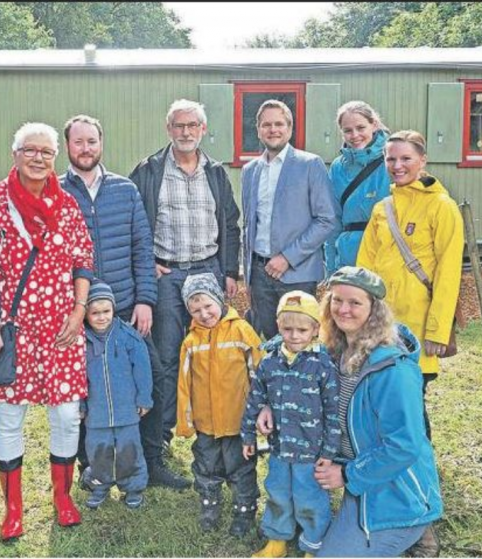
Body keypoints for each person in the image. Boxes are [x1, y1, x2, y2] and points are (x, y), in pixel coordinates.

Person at [262, 266, 444, 557]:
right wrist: (268, 403)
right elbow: (282, 350)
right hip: (358, 478)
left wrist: (346, 475)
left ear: (374, 309)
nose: (343, 310)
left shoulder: (393, 370)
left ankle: (417, 525)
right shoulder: (331, 350)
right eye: (337, 300)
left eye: (355, 302)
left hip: (393, 486)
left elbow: (404, 446)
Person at [0, 122, 95, 539]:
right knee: (10, 417)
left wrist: (79, 310)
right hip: (13, 330)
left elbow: (83, 259)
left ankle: (62, 497)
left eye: (47, 152)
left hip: (62, 327)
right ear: (16, 154)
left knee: (66, 415)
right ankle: (13, 510)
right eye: (31, 150)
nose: (39, 158)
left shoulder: (67, 205)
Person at [59, 115, 181, 490]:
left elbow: (142, 248)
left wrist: (145, 299)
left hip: (126, 309)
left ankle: (151, 456)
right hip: (78, 314)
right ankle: (91, 464)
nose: (85, 149)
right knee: (83, 387)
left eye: (91, 141)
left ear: (101, 143)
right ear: (68, 147)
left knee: (154, 377)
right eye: (78, 142)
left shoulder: (125, 190)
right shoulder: (56, 192)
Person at [129, 99, 242, 465]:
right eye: (179, 126)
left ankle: (213, 433)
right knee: (164, 357)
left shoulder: (216, 172)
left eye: (193, 125)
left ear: (203, 129)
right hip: (167, 273)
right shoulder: (149, 170)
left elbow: (229, 223)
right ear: (169, 129)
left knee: (212, 355)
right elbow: (134, 223)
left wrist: (229, 272)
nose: (186, 132)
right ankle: (160, 440)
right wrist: (148, 264)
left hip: (207, 271)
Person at [356, 130, 464, 440]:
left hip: (418, 327)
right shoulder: (382, 209)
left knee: (412, 406)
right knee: (382, 400)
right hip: (381, 324)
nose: (397, 165)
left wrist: (437, 330)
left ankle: (420, 466)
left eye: (406, 158)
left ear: (423, 160)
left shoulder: (442, 206)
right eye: (391, 159)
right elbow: (365, 269)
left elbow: (448, 273)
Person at [242, 291, 341, 558]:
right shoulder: (270, 361)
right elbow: (255, 398)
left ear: (315, 329)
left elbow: (333, 412)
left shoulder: (323, 365)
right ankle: (277, 539)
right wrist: (248, 436)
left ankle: (313, 544)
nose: (294, 335)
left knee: (311, 499)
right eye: (288, 329)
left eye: (302, 329)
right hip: (279, 449)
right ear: (278, 326)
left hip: (311, 453)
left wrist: (329, 453)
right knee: (278, 494)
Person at [241, 99, 339, 340]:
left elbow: (326, 219)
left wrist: (287, 257)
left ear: (290, 127)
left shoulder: (309, 164)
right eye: (266, 125)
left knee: (298, 342)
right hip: (259, 272)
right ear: (258, 130)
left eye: (279, 124)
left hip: (297, 272)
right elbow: (249, 224)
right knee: (268, 342)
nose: (272, 129)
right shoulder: (250, 170)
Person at [176, 273, 262, 537]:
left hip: (238, 422)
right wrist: (185, 421)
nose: (204, 314)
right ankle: (209, 506)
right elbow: (184, 383)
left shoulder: (241, 330)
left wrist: (261, 411)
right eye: (195, 309)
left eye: (208, 306)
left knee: (241, 469)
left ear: (219, 299)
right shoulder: (191, 341)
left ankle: (244, 511)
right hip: (206, 423)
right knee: (206, 468)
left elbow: (259, 372)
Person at [80, 280, 152, 510]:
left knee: (129, 450)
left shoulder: (128, 336)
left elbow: (142, 370)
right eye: (95, 313)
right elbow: (77, 377)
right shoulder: (82, 342)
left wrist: (144, 398)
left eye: (106, 311)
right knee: (98, 451)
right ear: (86, 314)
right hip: (97, 413)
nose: (101, 317)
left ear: (113, 309)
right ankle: (100, 485)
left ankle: (132, 487)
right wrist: (81, 405)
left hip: (126, 411)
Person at [324, 101, 392, 274]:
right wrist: (332, 267)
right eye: (348, 130)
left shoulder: (392, 160)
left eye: (361, 127)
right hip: (349, 256)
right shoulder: (338, 167)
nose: (355, 135)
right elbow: (333, 219)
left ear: (374, 125)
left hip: (386, 252)